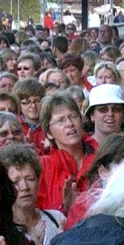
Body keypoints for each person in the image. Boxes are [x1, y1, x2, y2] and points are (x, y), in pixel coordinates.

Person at [35, 89, 95, 218]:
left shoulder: (102, 157)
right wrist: (67, 210)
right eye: (61, 120)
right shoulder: (43, 167)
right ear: (49, 133)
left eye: (73, 116)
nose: (70, 124)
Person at [0, 141, 63, 245]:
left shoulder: (56, 219)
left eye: (30, 179)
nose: (25, 187)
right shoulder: (0, 232)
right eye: (15, 182)